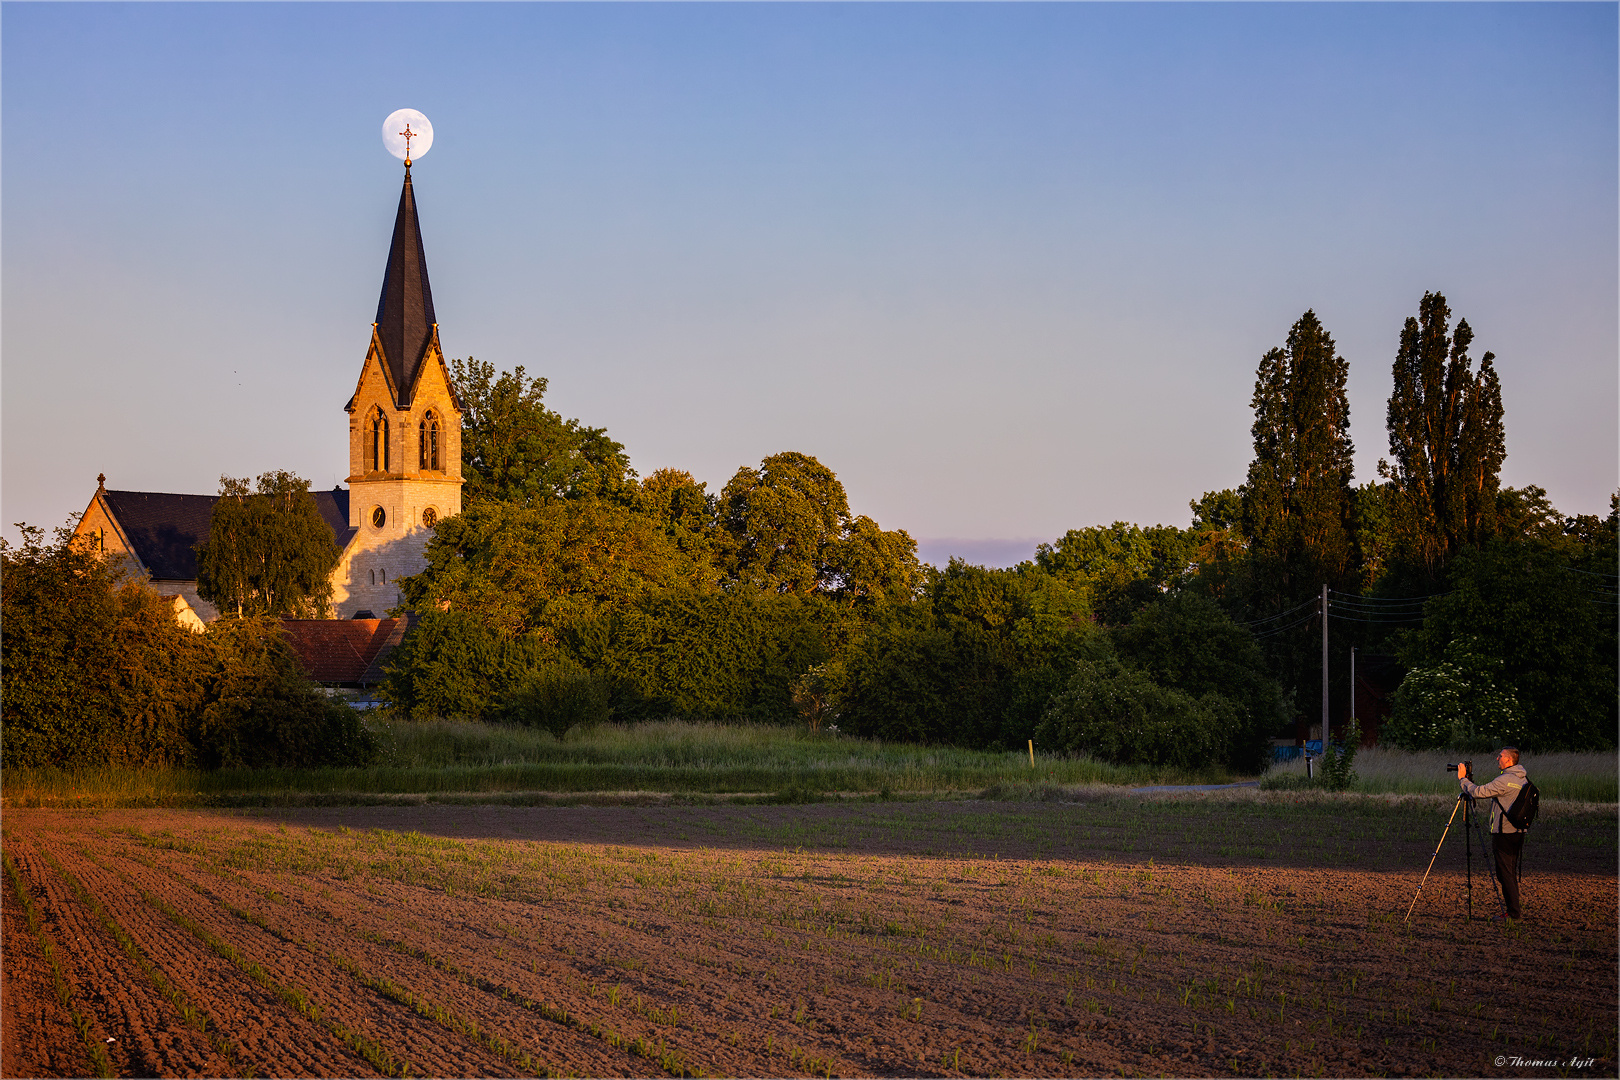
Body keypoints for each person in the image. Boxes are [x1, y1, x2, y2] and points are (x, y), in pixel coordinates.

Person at [1458, 747, 1528, 921]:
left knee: (1505, 874)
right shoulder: (1523, 778)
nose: (1497, 758)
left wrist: (1463, 779)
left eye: (1501, 756)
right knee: (1509, 872)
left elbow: (1478, 792)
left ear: (1509, 760)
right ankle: (1514, 911)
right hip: (1518, 832)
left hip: (1504, 832)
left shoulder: (1505, 780)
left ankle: (1513, 914)